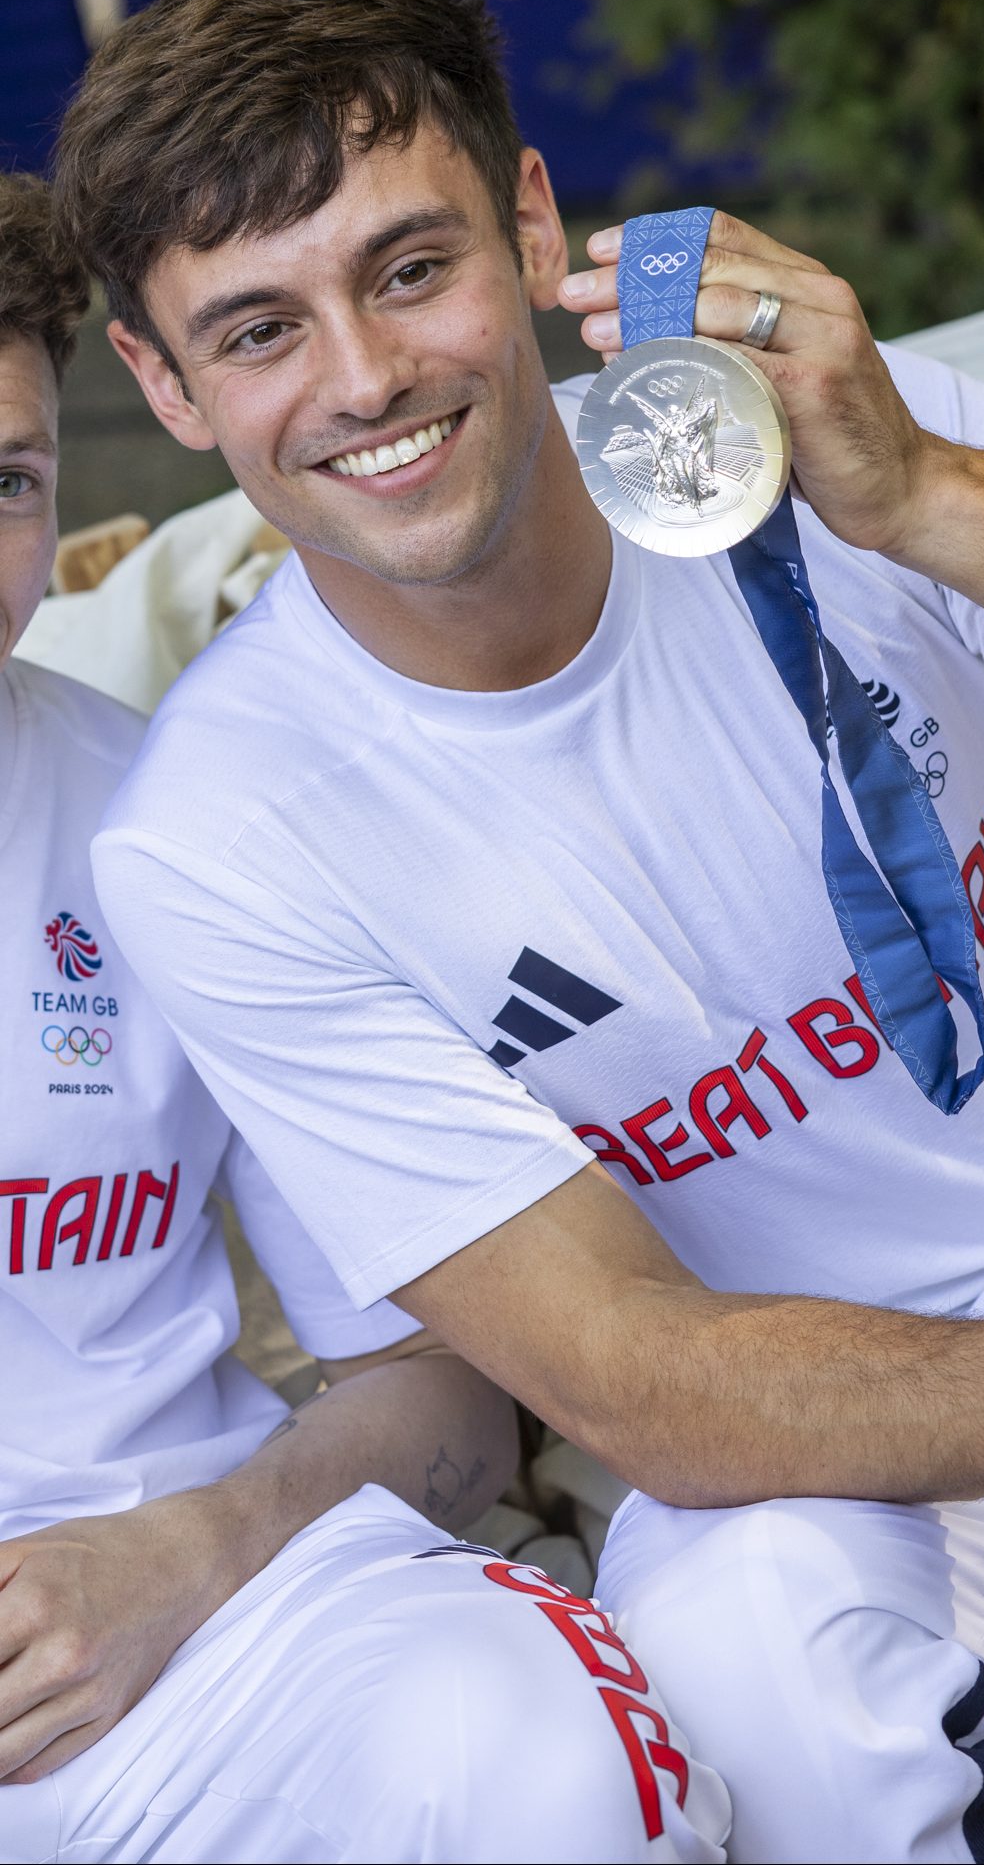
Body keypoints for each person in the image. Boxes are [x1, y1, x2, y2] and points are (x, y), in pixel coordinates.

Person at [53, 0, 984, 1863]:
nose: (367, 377)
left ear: (531, 220)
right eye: (258, 330)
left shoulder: (799, 436)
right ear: (156, 376)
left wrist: (922, 497)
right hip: (837, 1430)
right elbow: (632, 1380)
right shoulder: (208, 840)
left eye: (412, 267)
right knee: (735, 1671)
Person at [0, 171, 728, 1865]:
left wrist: (199, 1547)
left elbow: (445, 1394)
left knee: (567, 1766)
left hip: (187, 1630)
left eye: (6, 481)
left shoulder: (171, 832)